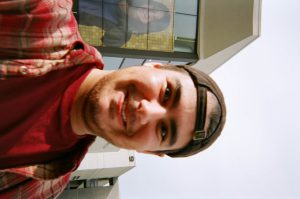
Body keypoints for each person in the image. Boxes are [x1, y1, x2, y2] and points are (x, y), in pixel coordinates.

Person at [0, 0, 226, 198]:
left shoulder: (43, 188)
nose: (147, 111)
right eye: (167, 93)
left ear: (148, 151)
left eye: (164, 131)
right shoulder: (41, 14)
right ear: (154, 65)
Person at [78, 0, 171, 47]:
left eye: (153, 19)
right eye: (153, 9)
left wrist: (123, 14)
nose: (149, 13)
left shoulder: (124, 31)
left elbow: (109, 41)